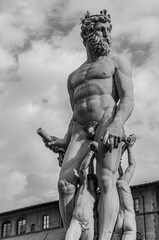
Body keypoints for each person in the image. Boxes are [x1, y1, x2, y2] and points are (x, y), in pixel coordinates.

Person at [44, 9, 134, 240]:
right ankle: (76, 234)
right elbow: (75, 113)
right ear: (87, 34)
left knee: (106, 179)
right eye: (100, 29)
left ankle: (104, 237)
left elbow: (127, 98)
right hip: (79, 129)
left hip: (107, 120)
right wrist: (63, 140)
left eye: (108, 30)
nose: (106, 35)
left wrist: (116, 124)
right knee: (64, 183)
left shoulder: (117, 62)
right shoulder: (73, 76)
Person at [65, 142, 98, 240]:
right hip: (77, 221)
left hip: (89, 223)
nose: (91, 182)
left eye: (93, 180)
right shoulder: (84, 186)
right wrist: (91, 152)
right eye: (90, 180)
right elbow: (83, 169)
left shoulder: (96, 195)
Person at [113, 134, 137, 240]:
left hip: (117, 219)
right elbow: (132, 165)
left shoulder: (110, 186)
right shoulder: (123, 182)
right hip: (128, 216)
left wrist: (123, 148)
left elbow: (115, 162)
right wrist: (129, 148)